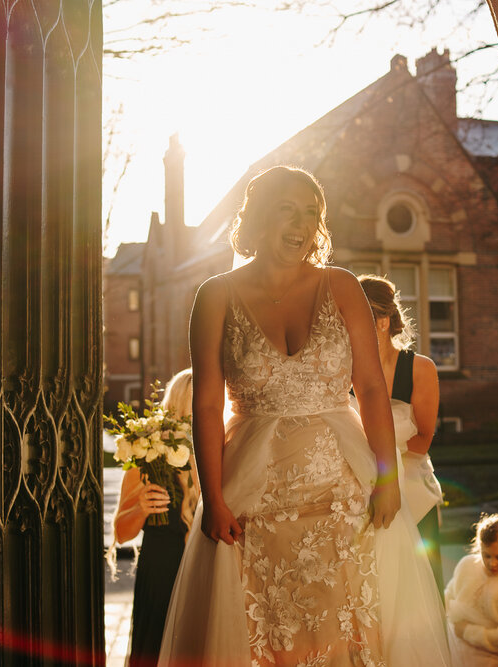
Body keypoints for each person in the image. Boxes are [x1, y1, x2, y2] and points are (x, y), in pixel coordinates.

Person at [157, 165, 450, 666]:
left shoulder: (340, 286)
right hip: (251, 490)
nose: (300, 223)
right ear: (256, 217)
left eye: (311, 212)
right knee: (260, 627)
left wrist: (387, 479)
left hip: (343, 485)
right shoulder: (215, 295)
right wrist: (214, 498)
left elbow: (373, 391)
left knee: (355, 622)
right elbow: (206, 404)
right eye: (286, 209)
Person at [356, 274, 445, 594]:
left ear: (382, 321)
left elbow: (422, 441)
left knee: (423, 588)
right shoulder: (342, 370)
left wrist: (381, 456)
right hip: (358, 489)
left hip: (411, 490)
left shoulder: (420, 369)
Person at [112, 368, 200, 667]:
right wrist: (141, 506)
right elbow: (122, 534)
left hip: (206, 568)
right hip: (162, 572)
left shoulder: (222, 451)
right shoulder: (149, 456)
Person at [443, 514, 498, 667]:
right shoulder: (467, 565)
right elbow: (448, 596)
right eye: (487, 555)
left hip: (492, 655)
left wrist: (468, 632)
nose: (492, 563)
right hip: (453, 640)